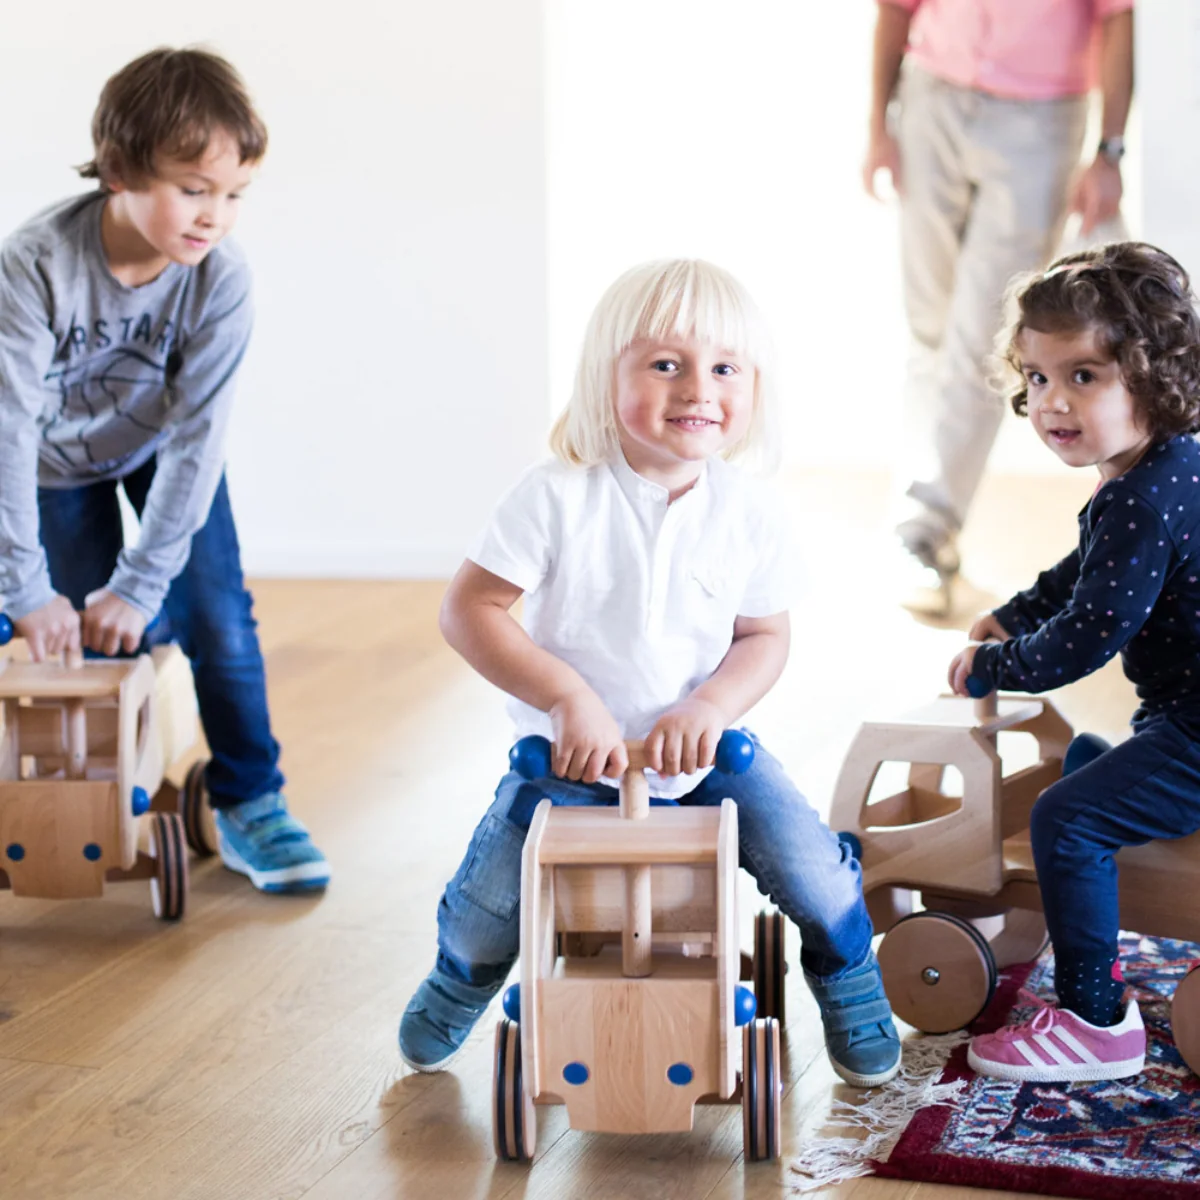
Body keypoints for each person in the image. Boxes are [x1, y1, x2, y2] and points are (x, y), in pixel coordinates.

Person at [399, 259, 901, 1087]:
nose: (697, 387)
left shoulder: (750, 510)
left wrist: (712, 705)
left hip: (706, 759)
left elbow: (764, 636)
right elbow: (470, 611)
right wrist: (566, 699)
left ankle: (848, 971)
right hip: (570, 762)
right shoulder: (556, 494)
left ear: (753, 390)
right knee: (492, 906)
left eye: (724, 368)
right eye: (666, 364)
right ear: (607, 379)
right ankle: (462, 974)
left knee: (811, 867)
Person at [0, 48, 329, 894]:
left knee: (218, 617)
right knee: (76, 642)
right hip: (48, 466)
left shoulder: (219, 281)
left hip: (160, 454)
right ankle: (78, 798)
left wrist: (146, 581)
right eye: (193, 188)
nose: (214, 216)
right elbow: (4, 432)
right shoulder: (35, 265)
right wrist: (26, 590)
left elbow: (199, 439)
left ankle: (250, 797)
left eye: (233, 195)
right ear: (118, 169)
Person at [947, 243, 1200, 1082]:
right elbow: (1077, 576)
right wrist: (1010, 613)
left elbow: (1086, 634)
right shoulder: (1158, 471)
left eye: (1083, 376)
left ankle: (1096, 1020)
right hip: (1180, 715)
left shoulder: (1138, 498)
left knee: (1068, 815)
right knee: (1091, 766)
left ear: (1153, 375)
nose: (1053, 402)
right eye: (1038, 377)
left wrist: (997, 663)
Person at [863, 0, 1135, 613]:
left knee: (984, 335)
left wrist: (1109, 151)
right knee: (929, 329)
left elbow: (1119, 17)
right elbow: (896, 8)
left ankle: (926, 529)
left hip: (1039, 119)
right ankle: (914, 520)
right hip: (931, 97)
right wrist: (879, 124)